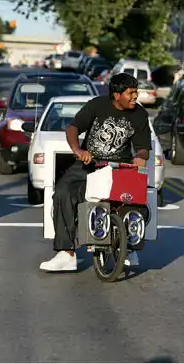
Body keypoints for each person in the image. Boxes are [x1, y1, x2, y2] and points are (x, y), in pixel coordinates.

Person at [39, 73, 152, 272]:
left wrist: (141, 156)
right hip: (88, 165)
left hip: (119, 167)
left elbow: (143, 147)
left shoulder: (140, 114)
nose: (135, 96)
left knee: (133, 200)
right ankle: (66, 254)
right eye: (131, 93)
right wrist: (78, 150)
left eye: (136, 92)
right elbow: (73, 128)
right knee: (63, 193)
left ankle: (128, 247)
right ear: (116, 95)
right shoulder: (97, 105)